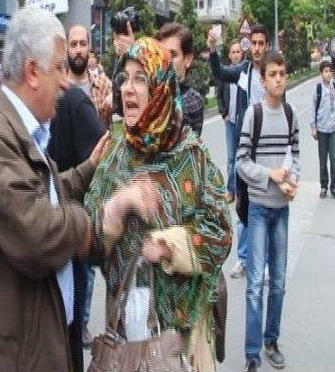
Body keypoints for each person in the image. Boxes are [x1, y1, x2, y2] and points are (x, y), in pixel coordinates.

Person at [0, 8, 112, 371]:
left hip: (27, 339)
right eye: (59, 69)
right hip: (5, 354)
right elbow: (38, 230)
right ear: (33, 72)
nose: (66, 83)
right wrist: (91, 222)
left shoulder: (23, 130)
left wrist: (86, 170)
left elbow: (43, 193)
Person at [85, 37, 232, 372]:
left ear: (160, 88)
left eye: (141, 78)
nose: (128, 89)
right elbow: (89, 243)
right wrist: (117, 209)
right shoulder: (116, 157)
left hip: (181, 337)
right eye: (125, 79)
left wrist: (169, 247)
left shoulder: (192, 156)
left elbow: (221, 233)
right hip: (125, 331)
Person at [236, 51, 300, 372]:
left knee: (278, 282)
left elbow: (296, 156)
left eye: (282, 73)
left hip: (282, 210)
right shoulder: (254, 115)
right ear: (263, 81)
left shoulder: (290, 114)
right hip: (260, 209)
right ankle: (252, 353)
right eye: (272, 74)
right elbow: (241, 162)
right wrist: (269, 175)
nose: (278, 78)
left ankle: (271, 340)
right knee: (254, 286)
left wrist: (293, 180)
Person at [49, 25, 108, 369]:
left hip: (73, 223)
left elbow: (103, 159)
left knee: (73, 306)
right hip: (48, 237)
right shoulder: (12, 122)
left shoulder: (76, 99)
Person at [209, 24, 270, 280]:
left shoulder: (272, 72)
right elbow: (220, 72)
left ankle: (264, 262)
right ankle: (244, 259)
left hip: (267, 149)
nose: (256, 48)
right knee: (244, 209)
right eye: (253, 43)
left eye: (260, 44)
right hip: (246, 149)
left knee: (265, 207)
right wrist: (213, 49)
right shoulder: (243, 72)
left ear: (266, 46)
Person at [156, 22, 205, 136]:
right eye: (161, 54)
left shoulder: (193, 100)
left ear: (187, 60)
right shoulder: (156, 91)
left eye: (172, 54)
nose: (166, 60)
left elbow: (167, 126)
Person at [310, 59, 335, 200]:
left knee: (334, 158)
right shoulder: (317, 89)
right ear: (321, 73)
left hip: (333, 128)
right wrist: (313, 127)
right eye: (325, 71)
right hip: (322, 130)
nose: (328, 74)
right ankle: (324, 186)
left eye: (330, 71)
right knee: (323, 160)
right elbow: (313, 109)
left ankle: (334, 187)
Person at [217, 41, 244, 204]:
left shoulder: (244, 73)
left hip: (243, 123)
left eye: (238, 52)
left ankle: (240, 190)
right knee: (231, 159)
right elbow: (219, 96)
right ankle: (231, 191)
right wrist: (223, 113)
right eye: (233, 52)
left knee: (243, 158)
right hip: (230, 122)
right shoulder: (226, 75)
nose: (235, 54)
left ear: (242, 54)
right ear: (229, 55)